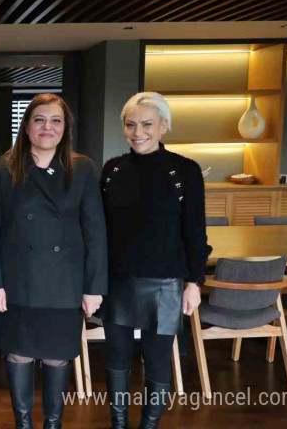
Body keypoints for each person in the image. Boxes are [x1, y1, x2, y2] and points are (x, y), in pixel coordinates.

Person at [0, 93, 107, 429]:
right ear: (26, 126)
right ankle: (23, 423)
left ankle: (53, 424)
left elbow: (95, 232)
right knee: (18, 353)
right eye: (39, 120)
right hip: (16, 282)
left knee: (57, 357)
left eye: (55, 121)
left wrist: (94, 288)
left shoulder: (82, 168)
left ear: (66, 128)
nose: (47, 127)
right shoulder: (3, 168)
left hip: (66, 284)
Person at [101, 92, 209, 429]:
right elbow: (99, 231)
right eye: (131, 125)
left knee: (158, 360)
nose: (138, 132)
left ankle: (149, 425)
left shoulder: (185, 171)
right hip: (117, 281)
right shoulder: (112, 170)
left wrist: (194, 282)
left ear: (163, 126)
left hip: (165, 283)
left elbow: (195, 231)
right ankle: (118, 423)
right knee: (116, 359)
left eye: (147, 124)